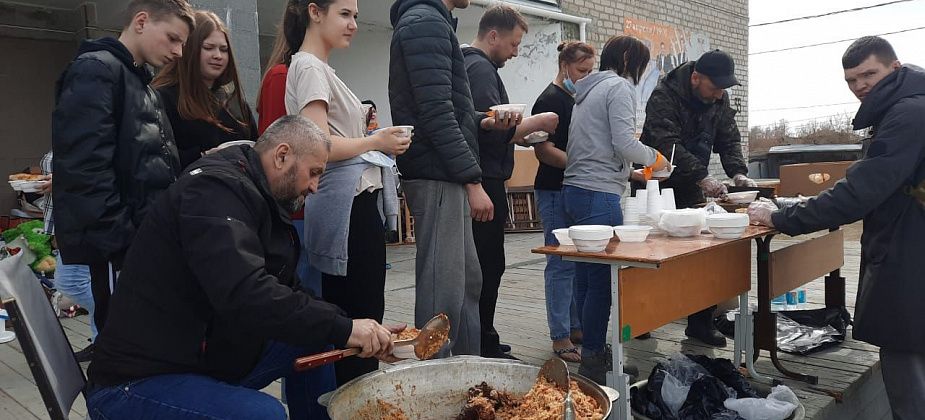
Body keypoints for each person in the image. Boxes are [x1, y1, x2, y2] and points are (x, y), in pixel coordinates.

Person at [85, 116, 401, 419]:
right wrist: (346, 329)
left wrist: (357, 329)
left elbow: (286, 290)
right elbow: (247, 294)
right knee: (264, 414)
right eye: (314, 172)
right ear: (282, 156)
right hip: (137, 382)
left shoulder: (255, 191)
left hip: (200, 358)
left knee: (316, 334)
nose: (315, 187)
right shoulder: (212, 192)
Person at [748, 36, 925, 420]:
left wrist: (781, 217)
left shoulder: (908, 115)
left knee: (907, 362)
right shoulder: (908, 106)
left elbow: (861, 191)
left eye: (869, 74)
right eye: (851, 80)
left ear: (894, 68)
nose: (860, 85)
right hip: (910, 242)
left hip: (912, 256)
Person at [285, 0, 409, 385]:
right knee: (360, 319)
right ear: (314, 12)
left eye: (355, 15)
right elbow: (317, 143)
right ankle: (357, 401)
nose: (353, 23)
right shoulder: (308, 66)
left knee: (358, 315)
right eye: (344, 13)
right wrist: (376, 140)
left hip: (352, 201)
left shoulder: (318, 68)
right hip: (346, 205)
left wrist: (370, 138)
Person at [52, 0, 194, 336]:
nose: (178, 52)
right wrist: (124, 246)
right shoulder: (96, 70)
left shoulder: (139, 84)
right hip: (120, 251)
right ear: (142, 21)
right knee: (125, 341)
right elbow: (85, 172)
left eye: (183, 44)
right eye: (173, 38)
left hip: (140, 244)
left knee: (143, 340)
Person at [389, 0, 517, 357]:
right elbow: (435, 113)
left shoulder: (433, 21)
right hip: (437, 176)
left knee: (465, 286)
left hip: (444, 173)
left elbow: (445, 109)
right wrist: (473, 182)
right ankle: (435, 385)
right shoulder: (424, 22)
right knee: (441, 295)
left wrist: (483, 121)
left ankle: (465, 377)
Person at [563, 35, 668, 384]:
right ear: (627, 58)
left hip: (574, 191)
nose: (640, 73)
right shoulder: (619, 88)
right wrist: (656, 158)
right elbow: (624, 142)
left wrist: (629, 170)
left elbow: (599, 143)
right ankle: (594, 359)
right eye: (641, 65)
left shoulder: (587, 89)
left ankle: (591, 351)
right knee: (602, 283)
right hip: (598, 195)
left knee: (584, 277)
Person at [639, 48, 756, 347]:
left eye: (723, 89)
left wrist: (739, 173)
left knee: (703, 253)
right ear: (695, 78)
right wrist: (703, 177)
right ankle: (640, 317)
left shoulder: (719, 98)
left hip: (693, 184)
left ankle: (700, 323)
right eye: (715, 87)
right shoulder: (663, 95)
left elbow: (728, 138)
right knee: (651, 254)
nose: (719, 95)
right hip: (656, 183)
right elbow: (667, 144)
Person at [462, 4, 559, 359]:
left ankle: (484, 335)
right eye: (515, 44)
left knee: (488, 265)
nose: (517, 52)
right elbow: (490, 131)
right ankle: (483, 343)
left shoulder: (471, 65)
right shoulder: (480, 68)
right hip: (484, 180)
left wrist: (521, 134)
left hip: (485, 177)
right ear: (493, 36)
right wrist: (539, 122)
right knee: (488, 266)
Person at [256, 1, 336, 415]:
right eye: (344, 14)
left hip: (302, 215)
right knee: (305, 319)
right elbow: (284, 152)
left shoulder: (294, 73)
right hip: (298, 216)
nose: (351, 24)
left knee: (313, 314)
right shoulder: (287, 75)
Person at [532, 40, 596, 363]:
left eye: (590, 71)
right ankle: (560, 337)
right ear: (565, 66)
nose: (585, 76)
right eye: (582, 70)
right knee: (559, 264)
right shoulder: (549, 100)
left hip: (573, 188)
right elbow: (543, 151)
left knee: (575, 262)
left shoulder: (574, 97)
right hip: (553, 189)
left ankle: (574, 325)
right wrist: (579, 164)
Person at [153, 10, 257, 169]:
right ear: (189, 49)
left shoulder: (236, 104)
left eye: (224, 49)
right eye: (209, 47)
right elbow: (157, 159)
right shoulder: (164, 97)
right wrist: (202, 157)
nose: (218, 56)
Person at [38, 151, 96, 362]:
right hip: (66, 225)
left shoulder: (91, 138)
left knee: (72, 283)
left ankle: (114, 331)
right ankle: (103, 341)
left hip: (83, 225)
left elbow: (102, 178)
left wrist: (65, 182)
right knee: (86, 284)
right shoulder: (67, 136)